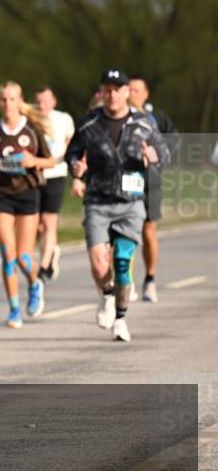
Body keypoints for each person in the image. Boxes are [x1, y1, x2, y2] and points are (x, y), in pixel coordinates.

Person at [65, 69, 169, 342]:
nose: (112, 94)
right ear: (102, 93)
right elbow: (73, 153)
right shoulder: (89, 124)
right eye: (107, 89)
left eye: (117, 89)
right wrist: (76, 173)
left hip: (130, 202)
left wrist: (153, 155)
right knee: (100, 266)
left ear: (126, 92)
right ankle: (108, 296)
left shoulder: (145, 123)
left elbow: (164, 152)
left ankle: (121, 319)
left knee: (122, 262)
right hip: (98, 201)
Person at [0, 81, 55, 328]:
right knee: (8, 255)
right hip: (1, 195)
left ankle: (34, 283)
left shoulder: (31, 130)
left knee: (23, 258)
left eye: (12, 99)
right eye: (3, 100)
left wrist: (33, 161)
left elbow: (50, 162)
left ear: (20, 102)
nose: (8, 104)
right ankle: (14, 309)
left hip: (28, 194)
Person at [127, 75, 180, 303]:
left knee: (148, 232)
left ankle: (149, 279)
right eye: (129, 89)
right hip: (127, 180)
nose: (132, 93)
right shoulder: (119, 116)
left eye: (137, 90)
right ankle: (125, 280)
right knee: (125, 231)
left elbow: (174, 139)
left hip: (150, 180)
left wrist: (156, 157)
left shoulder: (156, 116)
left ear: (146, 93)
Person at [34, 86, 75, 282]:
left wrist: (62, 156)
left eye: (45, 101)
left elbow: (71, 142)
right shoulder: (32, 119)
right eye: (38, 101)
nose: (41, 105)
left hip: (56, 173)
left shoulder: (64, 119)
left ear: (53, 101)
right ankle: (51, 253)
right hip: (36, 175)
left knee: (49, 221)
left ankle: (44, 265)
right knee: (38, 226)